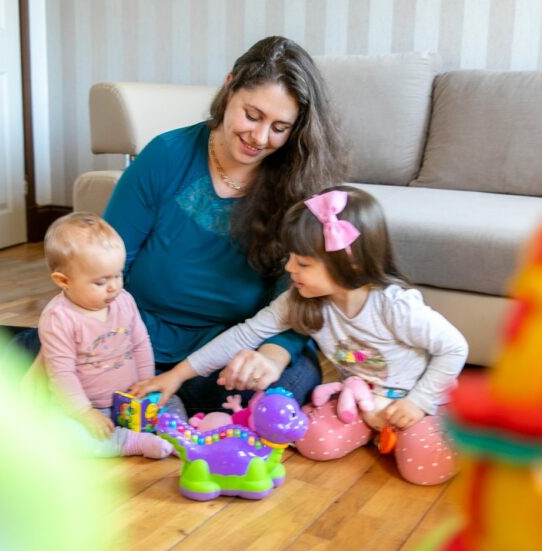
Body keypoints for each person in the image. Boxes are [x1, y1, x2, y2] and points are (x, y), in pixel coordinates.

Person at [133, 187, 468, 485]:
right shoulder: (302, 301)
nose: (290, 269)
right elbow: (244, 335)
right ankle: (373, 430)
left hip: (418, 402)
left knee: (424, 470)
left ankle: (449, 428)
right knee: (313, 443)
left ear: (348, 266)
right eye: (290, 258)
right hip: (358, 399)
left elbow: (454, 348)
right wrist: (177, 376)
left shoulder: (394, 306)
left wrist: (419, 402)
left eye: (303, 263)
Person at [99, 36, 348, 414]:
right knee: (35, 357)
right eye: (252, 115)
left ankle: (160, 402)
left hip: (234, 345)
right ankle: (167, 401)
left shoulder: (299, 182)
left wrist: (271, 356)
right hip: (139, 335)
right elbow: (108, 262)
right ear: (229, 85)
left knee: (276, 393)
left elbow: (299, 295)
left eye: (280, 127)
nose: (260, 138)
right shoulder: (166, 155)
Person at [38, 212, 181, 459]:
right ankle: (129, 443)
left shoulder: (124, 301)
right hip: (90, 407)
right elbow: (62, 373)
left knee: (173, 403)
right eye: (101, 281)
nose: (114, 286)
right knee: (62, 434)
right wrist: (83, 412)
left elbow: (140, 343)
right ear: (63, 281)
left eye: (118, 275)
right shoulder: (59, 318)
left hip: (130, 399)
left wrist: (147, 385)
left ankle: (177, 434)